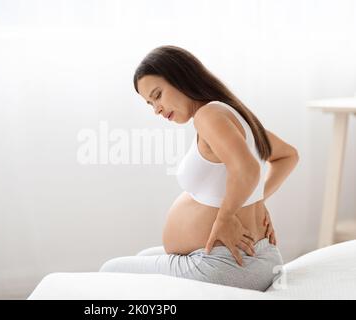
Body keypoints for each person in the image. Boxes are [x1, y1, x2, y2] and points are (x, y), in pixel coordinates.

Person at [99, 45, 299, 291]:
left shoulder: (208, 116)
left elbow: (248, 169)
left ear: (181, 77)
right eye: (150, 104)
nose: (157, 109)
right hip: (256, 257)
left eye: (158, 95)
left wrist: (226, 217)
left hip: (230, 264)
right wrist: (253, 199)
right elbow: (287, 156)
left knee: (110, 271)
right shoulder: (231, 113)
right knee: (142, 257)